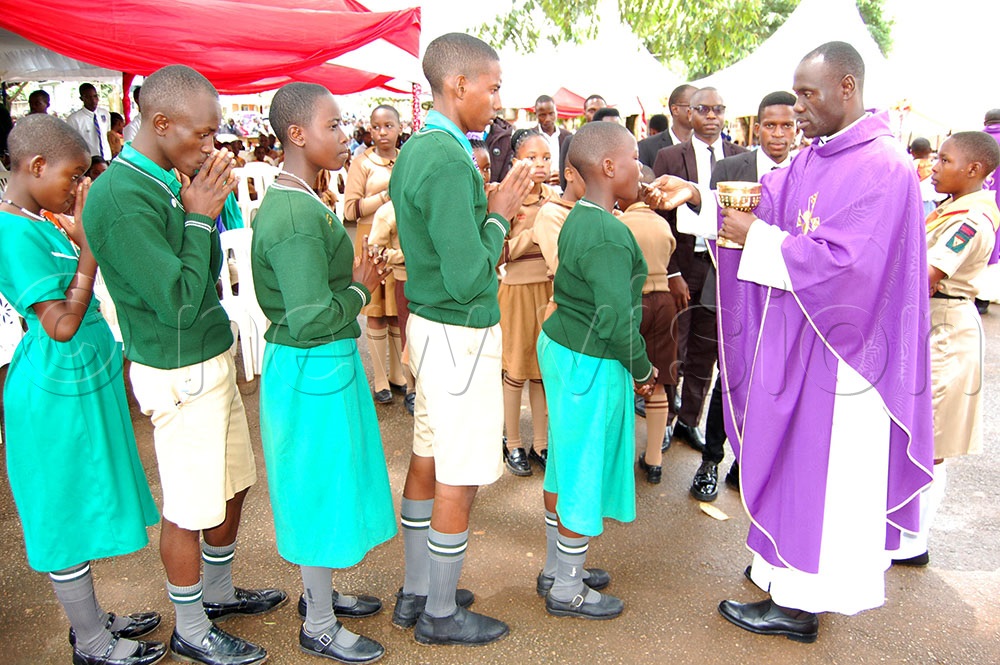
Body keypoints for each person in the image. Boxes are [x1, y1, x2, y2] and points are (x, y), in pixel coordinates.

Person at [709, 41, 933, 642]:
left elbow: (850, 267)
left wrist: (756, 237)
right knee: (794, 464)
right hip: (803, 341)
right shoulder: (814, 159)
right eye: (795, 93)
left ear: (847, 88)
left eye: (808, 95)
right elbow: (768, 207)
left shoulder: (882, 167)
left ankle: (802, 602)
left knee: (825, 476)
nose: (797, 108)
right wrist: (701, 203)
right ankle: (782, 572)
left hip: (847, 355)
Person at [84, 65, 286, 665]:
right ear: (161, 122)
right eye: (201, 135)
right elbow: (175, 300)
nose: (211, 147)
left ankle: (217, 595)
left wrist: (198, 202)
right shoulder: (121, 196)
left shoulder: (165, 176)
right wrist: (199, 214)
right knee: (190, 503)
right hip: (176, 366)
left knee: (230, 484)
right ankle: (191, 626)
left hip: (204, 355)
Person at [1, 114, 164, 665]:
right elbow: (61, 323)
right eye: (72, 176)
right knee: (66, 510)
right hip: (55, 390)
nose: (76, 187)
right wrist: (89, 251)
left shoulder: (35, 219)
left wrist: (75, 233)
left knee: (87, 496)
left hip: (78, 384)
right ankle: (92, 643)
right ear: (36, 165)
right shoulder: (10, 230)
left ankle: (90, 619)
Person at [388, 32, 533, 646]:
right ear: (458, 85)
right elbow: (469, 272)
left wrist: (490, 213)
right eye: (493, 86)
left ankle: (418, 589)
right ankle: (440, 612)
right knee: (459, 471)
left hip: (433, 326)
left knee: (428, 455)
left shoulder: (423, 148)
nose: (497, 100)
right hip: (459, 334)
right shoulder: (447, 159)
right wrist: (499, 211)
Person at [251, 82, 396, 664]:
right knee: (315, 488)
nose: (346, 135)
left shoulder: (305, 198)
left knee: (332, 480)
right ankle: (317, 621)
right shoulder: (290, 214)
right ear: (297, 135)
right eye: (333, 125)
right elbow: (309, 319)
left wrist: (356, 275)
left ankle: (324, 594)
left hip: (326, 362)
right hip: (312, 364)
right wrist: (361, 286)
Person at [536, 120, 656, 619]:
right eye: (632, 157)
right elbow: (612, 317)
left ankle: (554, 566)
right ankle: (567, 588)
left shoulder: (583, 216)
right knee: (583, 465)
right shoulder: (608, 232)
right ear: (608, 167)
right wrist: (644, 369)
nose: (641, 167)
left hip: (565, 347)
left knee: (566, 459)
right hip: (590, 357)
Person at [892, 131, 1000, 566]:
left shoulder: (970, 219)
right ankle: (902, 527)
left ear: (973, 170)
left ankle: (913, 539)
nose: (934, 167)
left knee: (930, 440)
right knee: (915, 432)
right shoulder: (954, 207)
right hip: (930, 323)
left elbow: (928, 274)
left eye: (944, 160)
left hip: (945, 333)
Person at [686, 91, 797, 502]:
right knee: (729, 375)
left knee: (775, 380)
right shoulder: (731, 167)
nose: (779, 134)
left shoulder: (807, 173)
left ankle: (749, 463)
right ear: (757, 127)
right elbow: (714, 225)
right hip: (732, 288)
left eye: (788, 125)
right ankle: (710, 461)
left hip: (783, 293)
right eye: (771, 125)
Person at [652, 87, 746, 453]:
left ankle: (690, 421)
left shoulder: (741, 157)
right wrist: (671, 272)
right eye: (703, 109)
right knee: (674, 344)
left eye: (718, 109)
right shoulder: (669, 156)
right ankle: (666, 416)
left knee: (706, 350)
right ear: (688, 113)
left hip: (722, 268)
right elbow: (659, 217)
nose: (711, 116)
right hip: (683, 266)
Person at [343, 105, 409, 405]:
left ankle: (399, 374)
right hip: (371, 242)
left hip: (398, 243)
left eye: (388, 126)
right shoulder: (361, 162)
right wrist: (385, 196)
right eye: (376, 127)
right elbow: (350, 210)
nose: (382, 132)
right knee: (376, 314)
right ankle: (380, 378)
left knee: (396, 312)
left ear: (399, 127)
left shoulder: (406, 159)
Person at [499, 129, 556, 476]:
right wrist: (533, 237)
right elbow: (498, 250)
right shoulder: (505, 197)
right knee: (515, 370)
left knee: (541, 371)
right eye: (531, 157)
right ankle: (513, 443)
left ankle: (541, 442)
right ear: (516, 159)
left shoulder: (555, 198)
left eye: (546, 157)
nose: (539, 164)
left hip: (548, 290)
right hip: (517, 290)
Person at [618, 165, 677, 485]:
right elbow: (669, 251)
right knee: (661, 379)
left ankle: (622, 459)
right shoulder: (660, 223)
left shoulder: (619, 223)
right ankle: (654, 459)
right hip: (664, 302)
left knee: (626, 378)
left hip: (632, 303)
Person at [558, 94, 606, 190]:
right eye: (591, 111)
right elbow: (564, 182)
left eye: (600, 111)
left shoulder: (614, 143)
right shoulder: (571, 141)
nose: (596, 115)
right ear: (584, 113)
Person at [534, 94, 572, 186]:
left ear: (556, 112)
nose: (547, 119)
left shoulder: (568, 137)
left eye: (551, 114)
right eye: (542, 115)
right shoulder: (530, 138)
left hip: (563, 193)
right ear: (536, 115)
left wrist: (562, 178)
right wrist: (542, 176)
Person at [67, 83, 113, 159]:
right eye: (88, 97)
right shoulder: (74, 119)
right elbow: (72, 144)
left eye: (95, 96)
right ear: (82, 99)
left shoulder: (104, 114)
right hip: (89, 161)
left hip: (106, 158)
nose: (93, 100)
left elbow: (107, 133)